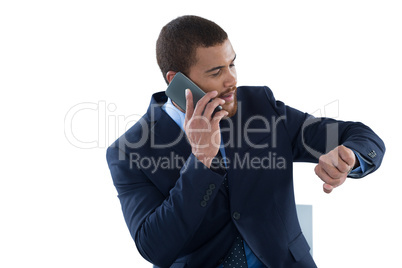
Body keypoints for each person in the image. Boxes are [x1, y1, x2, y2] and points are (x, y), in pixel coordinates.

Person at [106, 15, 385, 268]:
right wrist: (201, 161)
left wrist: (350, 157)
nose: (232, 80)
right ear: (176, 81)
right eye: (216, 72)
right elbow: (155, 247)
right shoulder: (129, 151)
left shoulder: (260, 107)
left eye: (232, 64)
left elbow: (361, 135)